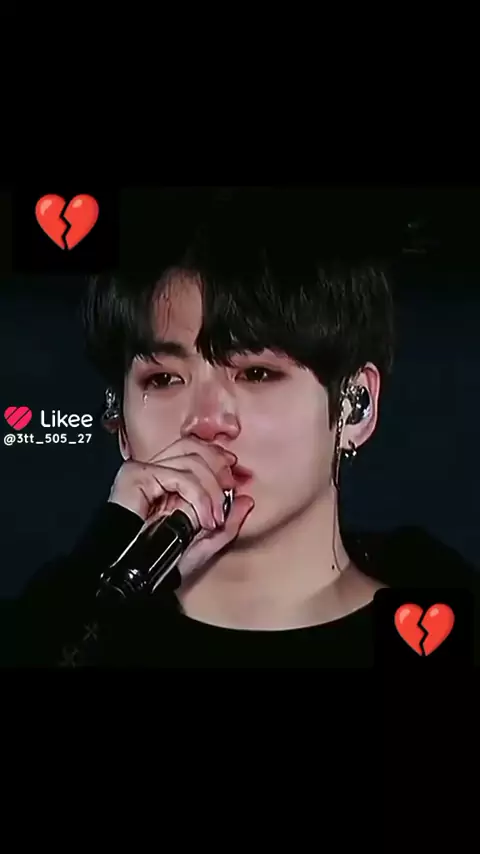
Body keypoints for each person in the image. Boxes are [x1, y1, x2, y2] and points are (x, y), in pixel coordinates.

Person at [14, 188, 479, 667]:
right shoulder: (64, 630)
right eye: (164, 379)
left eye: (256, 373)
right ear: (121, 421)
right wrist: (100, 579)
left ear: (355, 405)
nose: (205, 422)